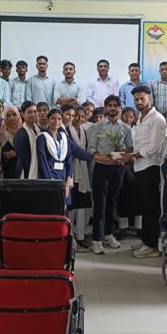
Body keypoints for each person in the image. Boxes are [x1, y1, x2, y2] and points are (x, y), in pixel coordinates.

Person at [123, 85, 166, 259]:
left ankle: (152, 245)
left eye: (142, 98)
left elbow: (154, 147)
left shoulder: (157, 119)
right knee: (144, 206)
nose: (139, 102)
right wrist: (128, 153)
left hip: (151, 166)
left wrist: (133, 156)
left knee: (151, 208)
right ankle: (147, 241)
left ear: (151, 99)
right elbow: (139, 142)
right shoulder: (140, 117)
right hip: (140, 166)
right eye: (136, 99)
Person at [87, 95, 133, 255]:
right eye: (110, 105)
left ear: (120, 108)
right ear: (106, 108)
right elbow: (91, 149)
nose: (113, 108)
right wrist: (103, 157)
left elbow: (130, 148)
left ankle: (108, 234)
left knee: (112, 202)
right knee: (100, 203)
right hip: (101, 167)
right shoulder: (97, 127)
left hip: (118, 168)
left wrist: (121, 155)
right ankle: (96, 239)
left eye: (115, 105)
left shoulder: (126, 128)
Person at [67, 105, 93, 249]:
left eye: (82, 116)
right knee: (71, 205)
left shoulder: (84, 131)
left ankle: (81, 235)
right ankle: (70, 236)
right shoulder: (66, 130)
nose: (79, 119)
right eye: (76, 115)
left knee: (82, 204)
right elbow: (74, 151)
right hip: (72, 171)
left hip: (83, 170)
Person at [36, 108, 74, 204]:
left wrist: (68, 182)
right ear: (48, 120)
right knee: (51, 207)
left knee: (63, 208)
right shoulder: (42, 138)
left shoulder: (64, 137)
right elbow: (43, 162)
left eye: (59, 119)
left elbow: (69, 160)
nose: (56, 121)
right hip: (48, 179)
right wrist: (51, 183)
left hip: (64, 178)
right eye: (53, 118)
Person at [14, 101, 41, 179]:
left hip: (39, 171)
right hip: (26, 173)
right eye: (29, 112)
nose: (33, 114)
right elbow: (23, 158)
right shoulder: (20, 134)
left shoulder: (39, 131)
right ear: (22, 114)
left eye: (35, 111)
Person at [0, 105, 22, 179]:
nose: (12, 117)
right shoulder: (2, 133)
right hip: (7, 172)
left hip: (23, 170)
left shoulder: (24, 131)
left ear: (18, 115)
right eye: (8, 115)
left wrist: (16, 153)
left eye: (14, 114)